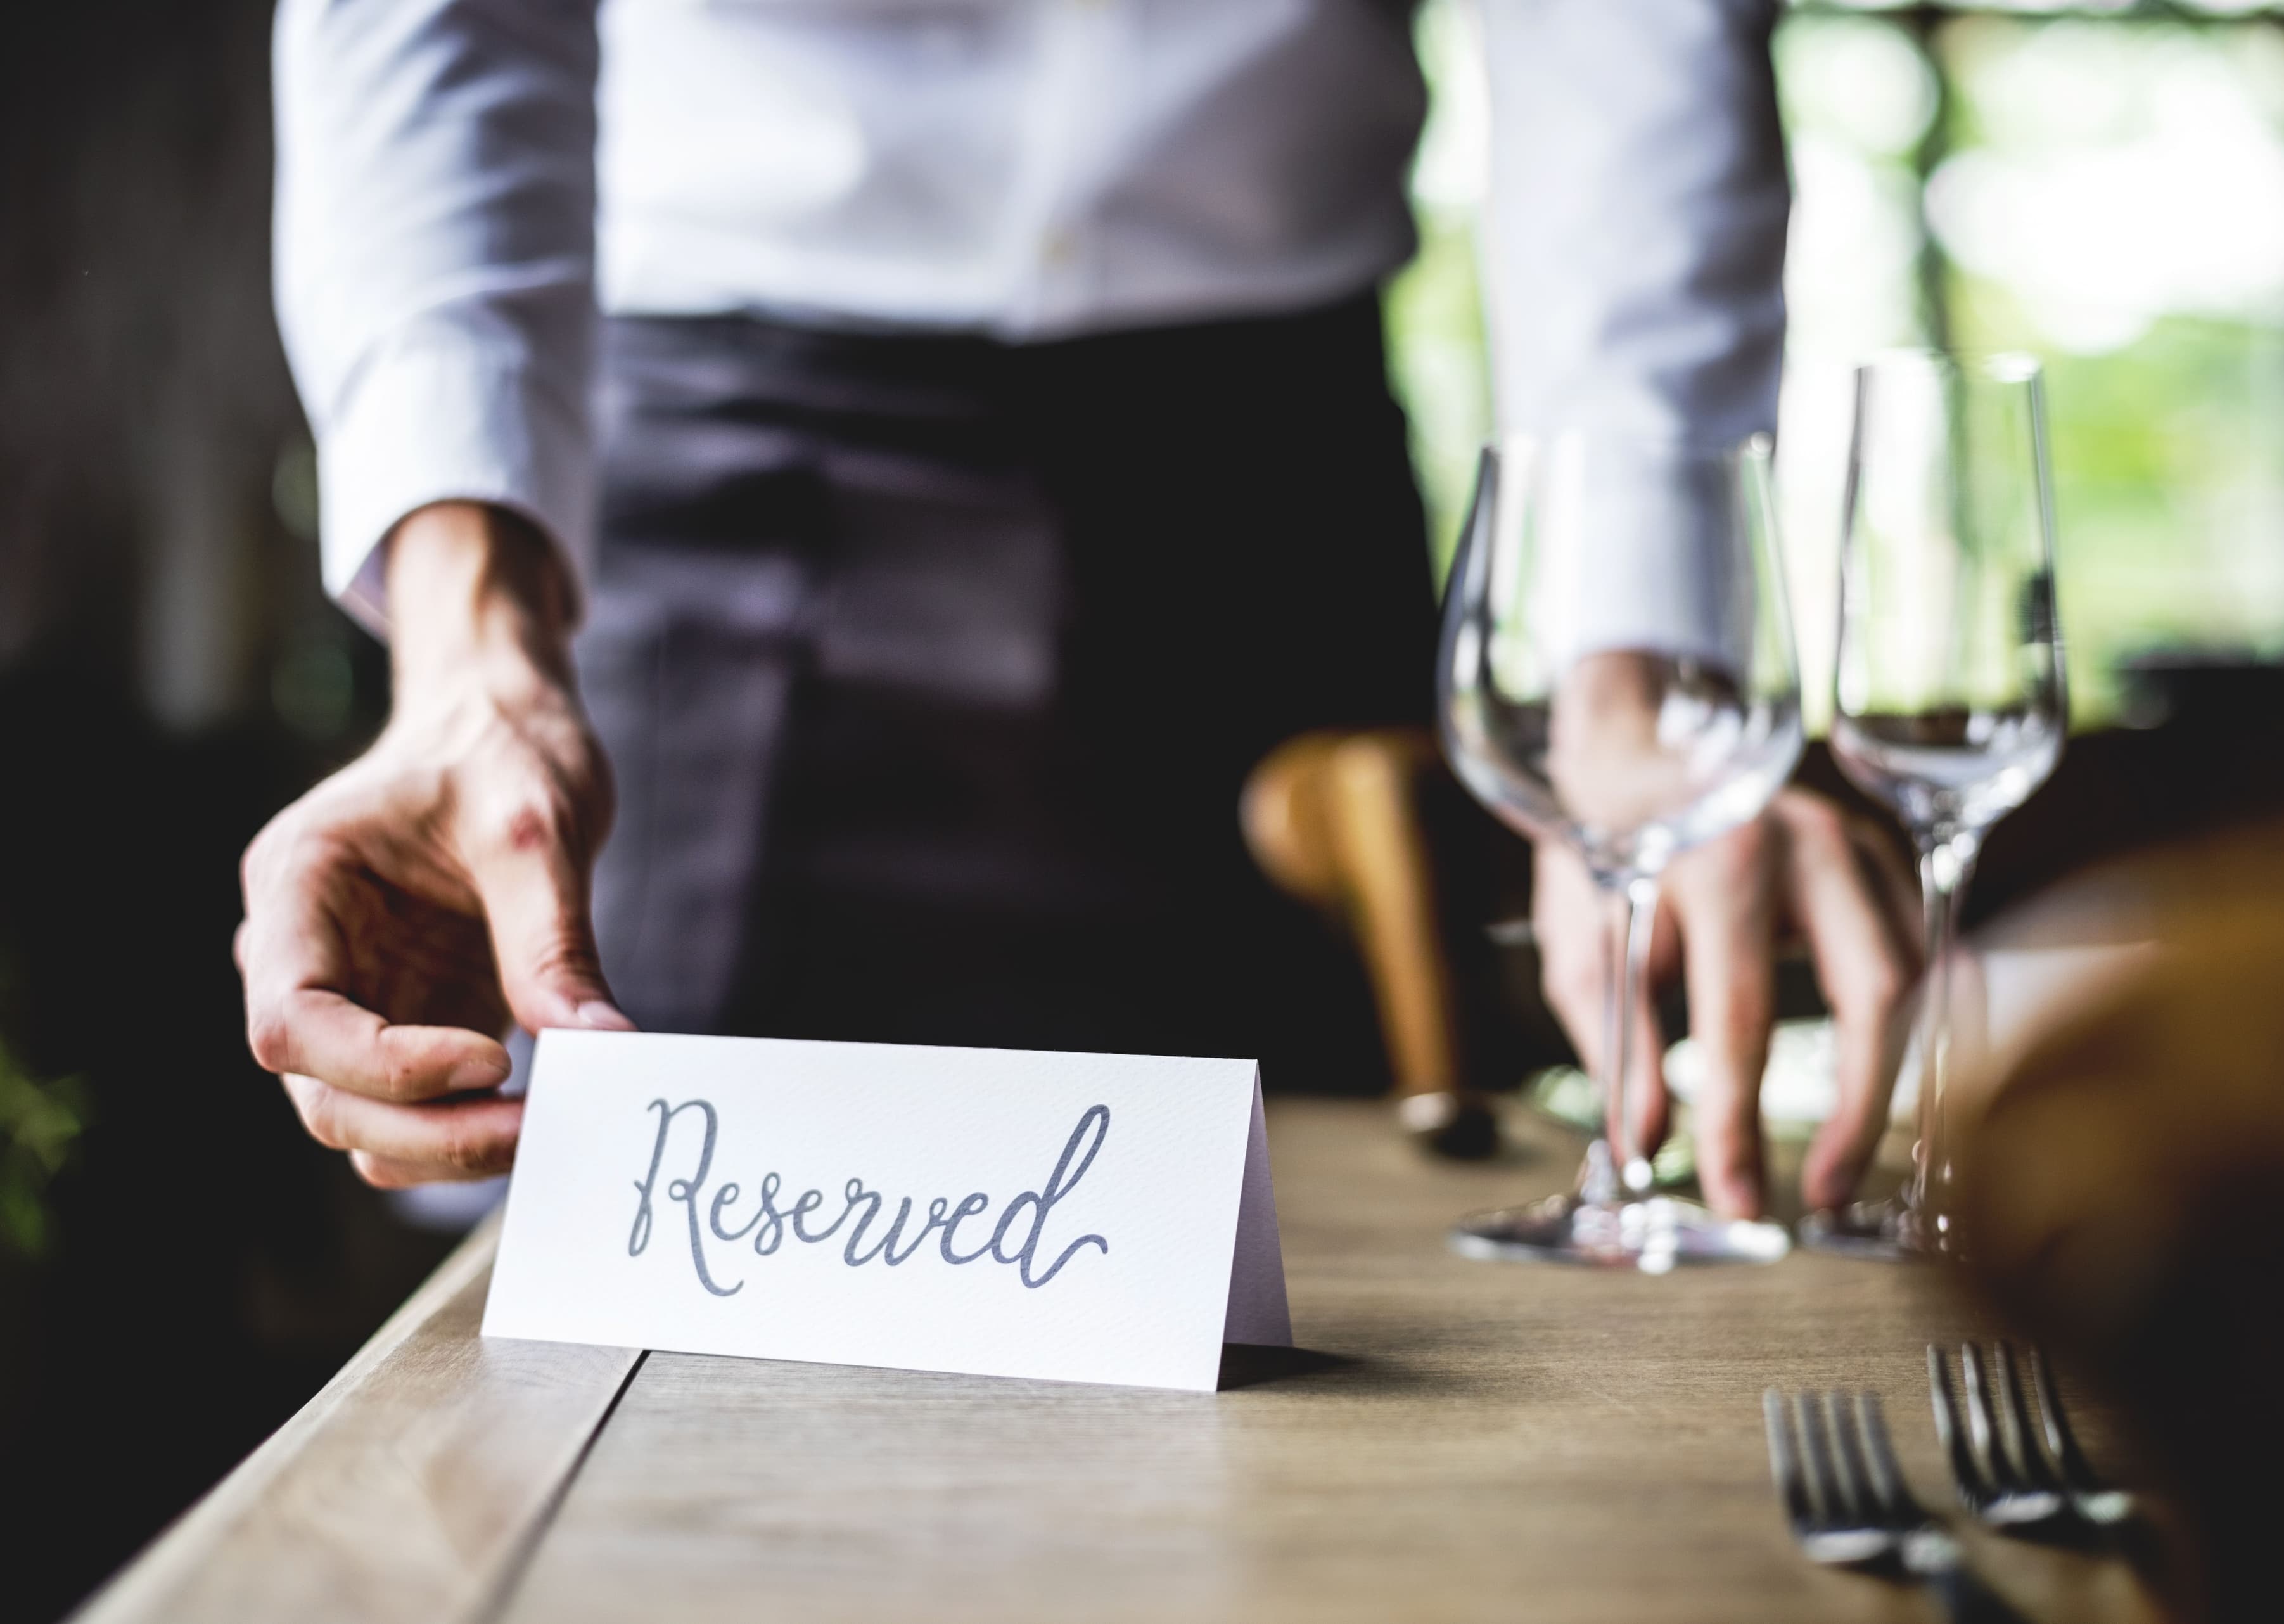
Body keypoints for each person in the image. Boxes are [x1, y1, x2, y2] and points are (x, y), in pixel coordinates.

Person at [239, 0, 1918, 1221]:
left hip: (1263, 488)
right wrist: (469, 656)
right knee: (616, 1299)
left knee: (1345, 1314)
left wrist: (1635, 682)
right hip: (702, 472)